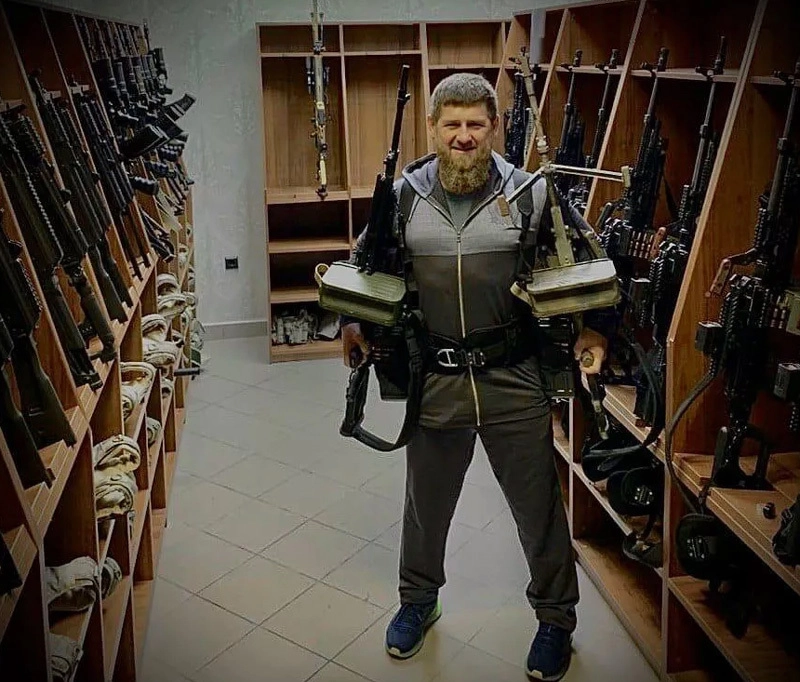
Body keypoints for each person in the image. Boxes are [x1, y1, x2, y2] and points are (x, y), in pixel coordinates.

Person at [341, 73, 609, 682]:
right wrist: (352, 324)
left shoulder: (531, 194)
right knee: (425, 505)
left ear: (494, 128)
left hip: (513, 377)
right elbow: (364, 263)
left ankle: (555, 620)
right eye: (452, 125)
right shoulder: (403, 198)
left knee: (538, 508)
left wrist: (595, 330)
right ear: (432, 128)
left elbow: (587, 261)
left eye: (476, 124)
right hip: (436, 379)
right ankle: (418, 602)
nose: (463, 137)